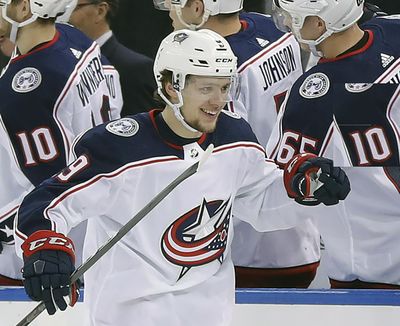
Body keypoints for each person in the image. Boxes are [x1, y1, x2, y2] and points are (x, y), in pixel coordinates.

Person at [15, 29, 350, 324]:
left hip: (209, 314)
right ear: (170, 86)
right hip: (130, 316)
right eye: (206, 89)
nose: (218, 101)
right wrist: (46, 248)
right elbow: (47, 204)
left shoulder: (234, 137)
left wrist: (303, 188)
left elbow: (259, 201)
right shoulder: (118, 149)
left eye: (224, 87)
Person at [154, 0, 321, 288]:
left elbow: (220, 159)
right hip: (297, 223)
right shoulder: (274, 29)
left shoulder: (215, 69)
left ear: (198, 8)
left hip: (246, 244)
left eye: (176, 3)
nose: (170, 11)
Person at [267, 0, 400, 288]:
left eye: (294, 18)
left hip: (375, 272)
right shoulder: (392, 29)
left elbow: (272, 190)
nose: (288, 25)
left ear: (319, 24)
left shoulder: (313, 98)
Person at [0, 0, 121, 286]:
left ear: (25, 9)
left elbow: (49, 188)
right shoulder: (71, 36)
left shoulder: (26, 91)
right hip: (93, 223)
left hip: (34, 256)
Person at [68, 0, 159, 116]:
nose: (63, 16)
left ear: (100, 11)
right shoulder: (61, 61)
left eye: (71, 8)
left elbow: (144, 129)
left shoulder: (134, 68)